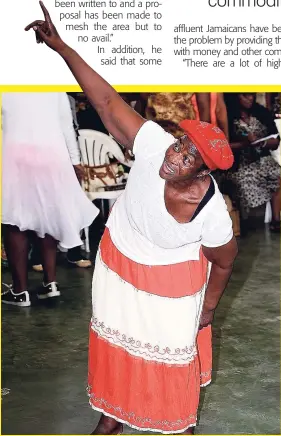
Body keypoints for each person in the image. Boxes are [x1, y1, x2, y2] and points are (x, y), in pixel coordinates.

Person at [25, 3, 238, 434]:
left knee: (170, 359)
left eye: (188, 157)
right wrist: (61, 47)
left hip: (172, 284)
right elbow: (104, 100)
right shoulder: (155, 144)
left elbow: (225, 260)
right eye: (180, 144)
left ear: (204, 172)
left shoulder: (210, 211)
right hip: (120, 262)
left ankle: (178, 425)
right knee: (119, 349)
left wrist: (209, 308)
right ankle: (113, 415)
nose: (174, 156)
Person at [1, 91, 99, 307]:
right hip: (53, 153)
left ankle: (20, 292)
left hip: (14, 152)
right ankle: (50, 283)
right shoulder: (50, 79)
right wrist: (75, 161)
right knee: (50, 213)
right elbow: (66, 121)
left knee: (15, 219)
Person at [226, 93, 280, 231]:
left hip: (262, 159)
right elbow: (225, 146)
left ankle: (276, 220)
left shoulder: (262, 113)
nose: (249, 98)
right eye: (245, 95)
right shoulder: (229, 115)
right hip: (241, 163)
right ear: (236, 97)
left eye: (251, 95)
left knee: (277, 174)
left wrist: (261, 143)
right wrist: (245, 143)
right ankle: (244, 223)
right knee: (242, 182)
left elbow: (275, 141)